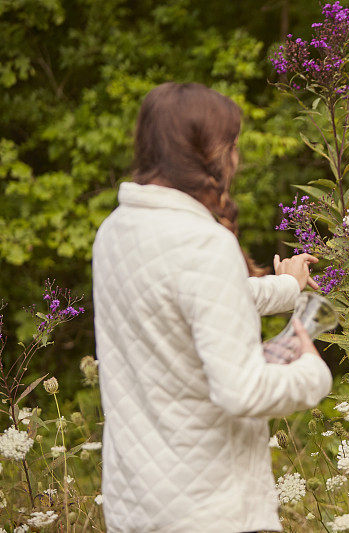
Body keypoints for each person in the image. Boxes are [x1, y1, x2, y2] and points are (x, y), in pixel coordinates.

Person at [92, 82, 332, 532]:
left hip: (135, 502)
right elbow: (241, 392)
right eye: (233, 144)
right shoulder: (205, 244)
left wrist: (284, 287)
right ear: (210, 151)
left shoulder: (116, 231)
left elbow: (187, 298)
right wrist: (311, 372)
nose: (237, 158)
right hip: (210, 507)